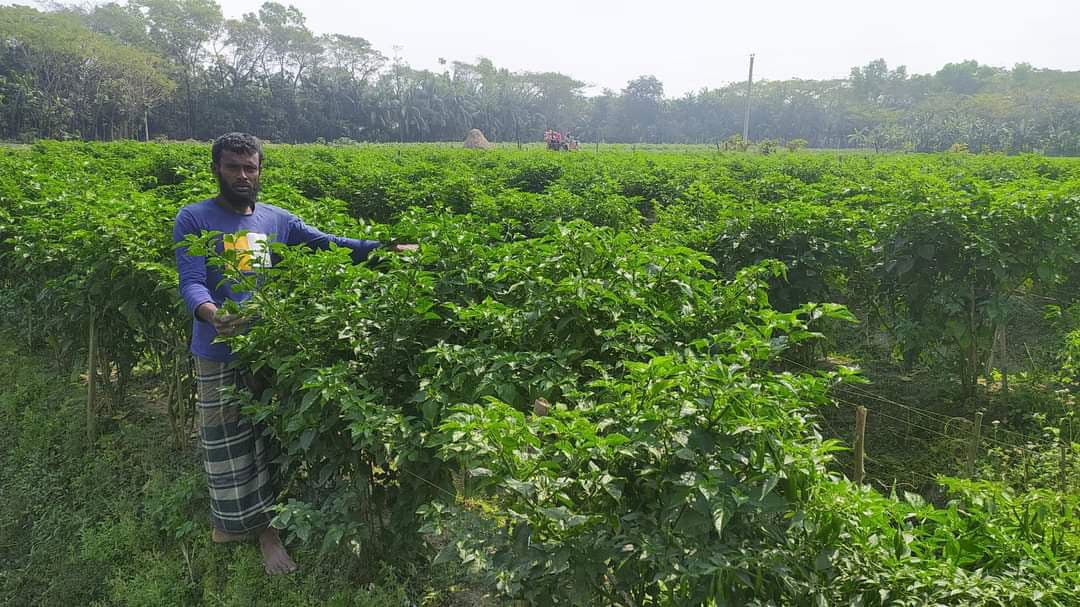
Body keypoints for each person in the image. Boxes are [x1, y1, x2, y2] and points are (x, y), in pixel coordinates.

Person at [172, 132, 416, 575]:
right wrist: (211, 314)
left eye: (251, 167)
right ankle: (240, 526)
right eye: (233, 167)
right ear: (217, 170)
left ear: (261, 170)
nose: (243, 175)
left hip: (272, 347)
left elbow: (331, 244)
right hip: (218, 348)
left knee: (269, 437)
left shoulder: (276, 220)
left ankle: (272, 521)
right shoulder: (194, 219)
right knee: (227, 441)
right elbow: (190, 280)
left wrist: (386, 249)